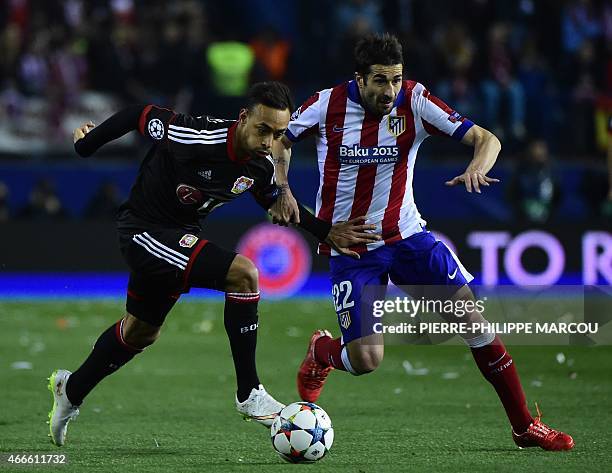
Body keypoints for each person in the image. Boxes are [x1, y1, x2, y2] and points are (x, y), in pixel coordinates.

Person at [271, 34, 574, 451]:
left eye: (395, 79)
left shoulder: (415, 101)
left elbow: (488, 140)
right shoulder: (326, 105)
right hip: (352, 246)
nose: (389, 91)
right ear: (359, 79)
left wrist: (476, 166)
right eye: (379, 81)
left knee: (473, 323)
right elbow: (277, 140)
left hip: (409, 237)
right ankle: (323, 351)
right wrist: (283, 188)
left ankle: (524, 426)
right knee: (367, 361)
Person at [47, 81, 381, 447]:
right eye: (263, 129)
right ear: (243, 118)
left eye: (279, 134)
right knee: (243, 274)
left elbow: (281, 206)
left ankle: (71, 389)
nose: (269, 141)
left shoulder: (260, 166)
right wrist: (86, 145)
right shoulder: (196, 136)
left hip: (178, 236)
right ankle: (249, 392)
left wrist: (325, 231)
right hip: (144, 231)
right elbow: (139, 115)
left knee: (140, 332)